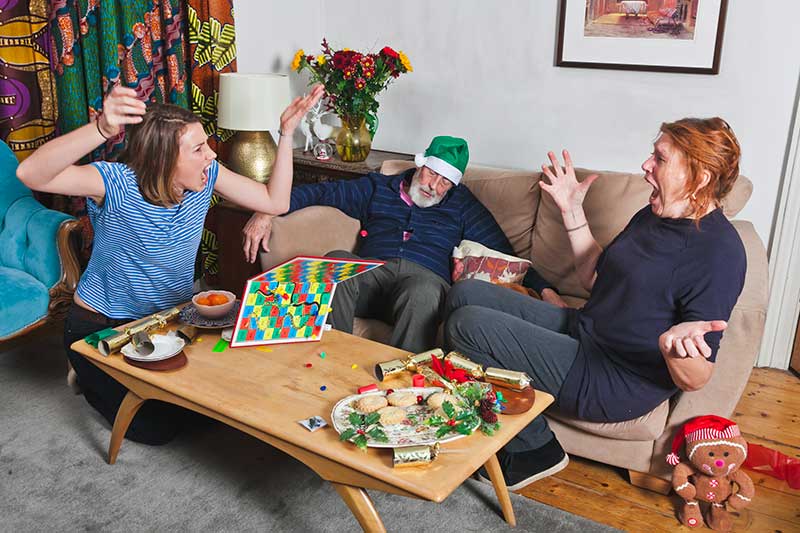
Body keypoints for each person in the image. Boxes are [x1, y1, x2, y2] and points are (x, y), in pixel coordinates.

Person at [443, 117, 746, 491]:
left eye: (660, 158)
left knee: (467, 325)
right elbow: (596, 281)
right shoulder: (652, 215)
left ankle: (534, 447)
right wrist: (571, 210)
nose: (646, 165)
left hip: (614, 379)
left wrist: (675, 349)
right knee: (464, 293)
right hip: (585, 331)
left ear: (699, 177)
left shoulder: (719, 253)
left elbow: (698, 378)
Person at [16, 84, 324, 445]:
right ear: (163, 158)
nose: (210, 155)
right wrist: (101, 128)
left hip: (167, 322)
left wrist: (286, 134)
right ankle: (84, 370)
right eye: (197, 149)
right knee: (157, 429)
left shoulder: (207, 176)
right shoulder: (115, 183)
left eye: (206, 145)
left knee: (223, 407)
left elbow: (275, 201)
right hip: (104, 326)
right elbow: (31, 175)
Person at [241, 136, 564, 353]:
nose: (435, 187)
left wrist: (546, 289)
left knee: (422, 290)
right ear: (420, 165)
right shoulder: (378, 187)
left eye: (444, 183)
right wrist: (267, 210)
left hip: (422, 281)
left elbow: (505, 251)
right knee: (336, 260)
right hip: (372, 274)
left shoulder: (462, 204)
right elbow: (319, 193)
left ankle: (402, 385)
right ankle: (331, 358)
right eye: (431, 175)